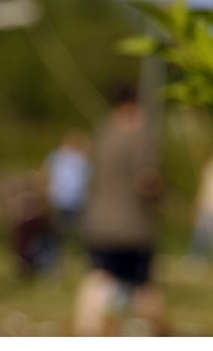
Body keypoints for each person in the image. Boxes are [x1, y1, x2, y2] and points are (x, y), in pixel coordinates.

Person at [73, 85, 165, 336]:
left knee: (98, 277)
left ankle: (86, 331)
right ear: (135, 105)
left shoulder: (103, 132)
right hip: (132, 226)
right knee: (143, 285)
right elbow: (146, 181)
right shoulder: (139, 136)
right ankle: (158, 334)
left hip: (99, 222)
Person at [42, 129, 92, 247]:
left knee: (76, 230)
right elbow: (45, 173)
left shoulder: (82, 158)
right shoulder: (56, 156)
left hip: (77, 200)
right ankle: (58, 254)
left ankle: (73, 249)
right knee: (57, 231)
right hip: (58, 199)